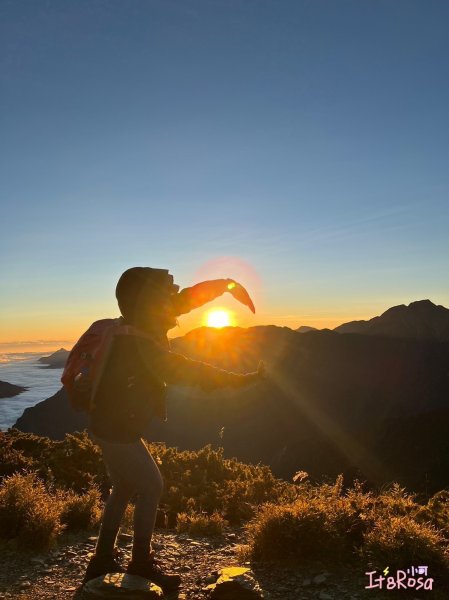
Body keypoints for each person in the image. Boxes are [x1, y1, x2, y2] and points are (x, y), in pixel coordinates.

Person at [82, 267, 264, 591]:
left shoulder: (138, 323)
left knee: (123, 488)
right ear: (148, 302)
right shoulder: (141, 345)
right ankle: (140, 562)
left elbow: (189, 298)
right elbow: (191, 371)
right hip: (116, 430)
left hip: (109, 424)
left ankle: (101, 560)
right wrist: (243, 380)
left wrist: (226, 285)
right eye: (164, 295)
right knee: (151, 485)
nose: (172, 300)